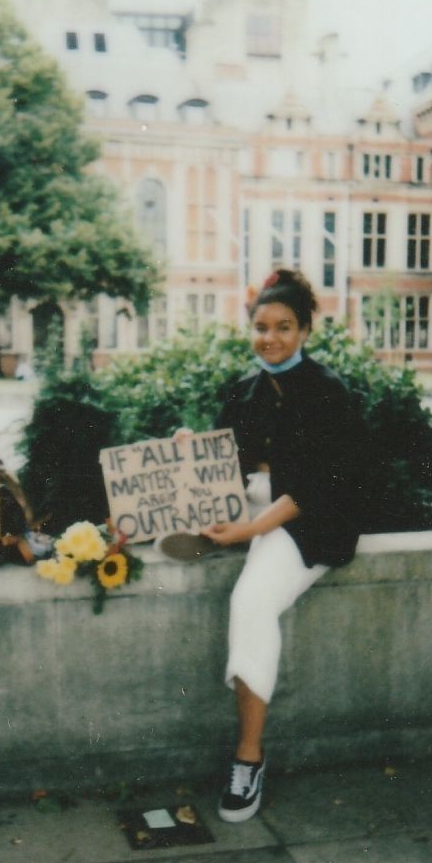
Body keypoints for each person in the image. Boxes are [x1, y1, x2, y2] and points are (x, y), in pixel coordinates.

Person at [161, 269, 365, 822]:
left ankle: (248, 759)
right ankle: (214, 540)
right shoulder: (244, 390)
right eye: (260, 327)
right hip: (253, 507)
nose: (269, 338)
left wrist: (251, 532)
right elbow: (225, 462)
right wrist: (193, 447)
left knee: (250, 603)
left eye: (283, 327)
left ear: (304, 331)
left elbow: (314, 489)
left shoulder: (329, 393)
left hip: (305, 522)